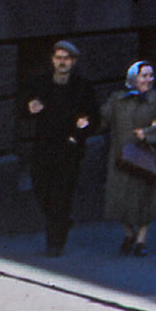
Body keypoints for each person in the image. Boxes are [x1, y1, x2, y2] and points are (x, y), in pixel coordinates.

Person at [16, 39, 95, 256]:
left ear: (73, 61)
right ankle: (62, 220)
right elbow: (23, 107)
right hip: (43, 148)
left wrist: (81, 131)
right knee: (41, 190)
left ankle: (55, 243)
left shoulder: (83, 86)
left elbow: (93, 118)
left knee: (61, 195)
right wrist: (29, 108)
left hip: (68, 149)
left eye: (66, 59)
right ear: (52, 60)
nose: (62, 62)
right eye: (58, 58)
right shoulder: (40, 83)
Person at [101, 61, 156, 255]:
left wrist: (149, 132)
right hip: (122, 157)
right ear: (133, 77)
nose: (149, 80)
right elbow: (103, 118)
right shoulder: (118, 99)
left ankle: (142, 239)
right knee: (119, 199)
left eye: (151, 76)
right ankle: (129, 233)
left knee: (147, 199)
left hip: (147, 157)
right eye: (144, 76)